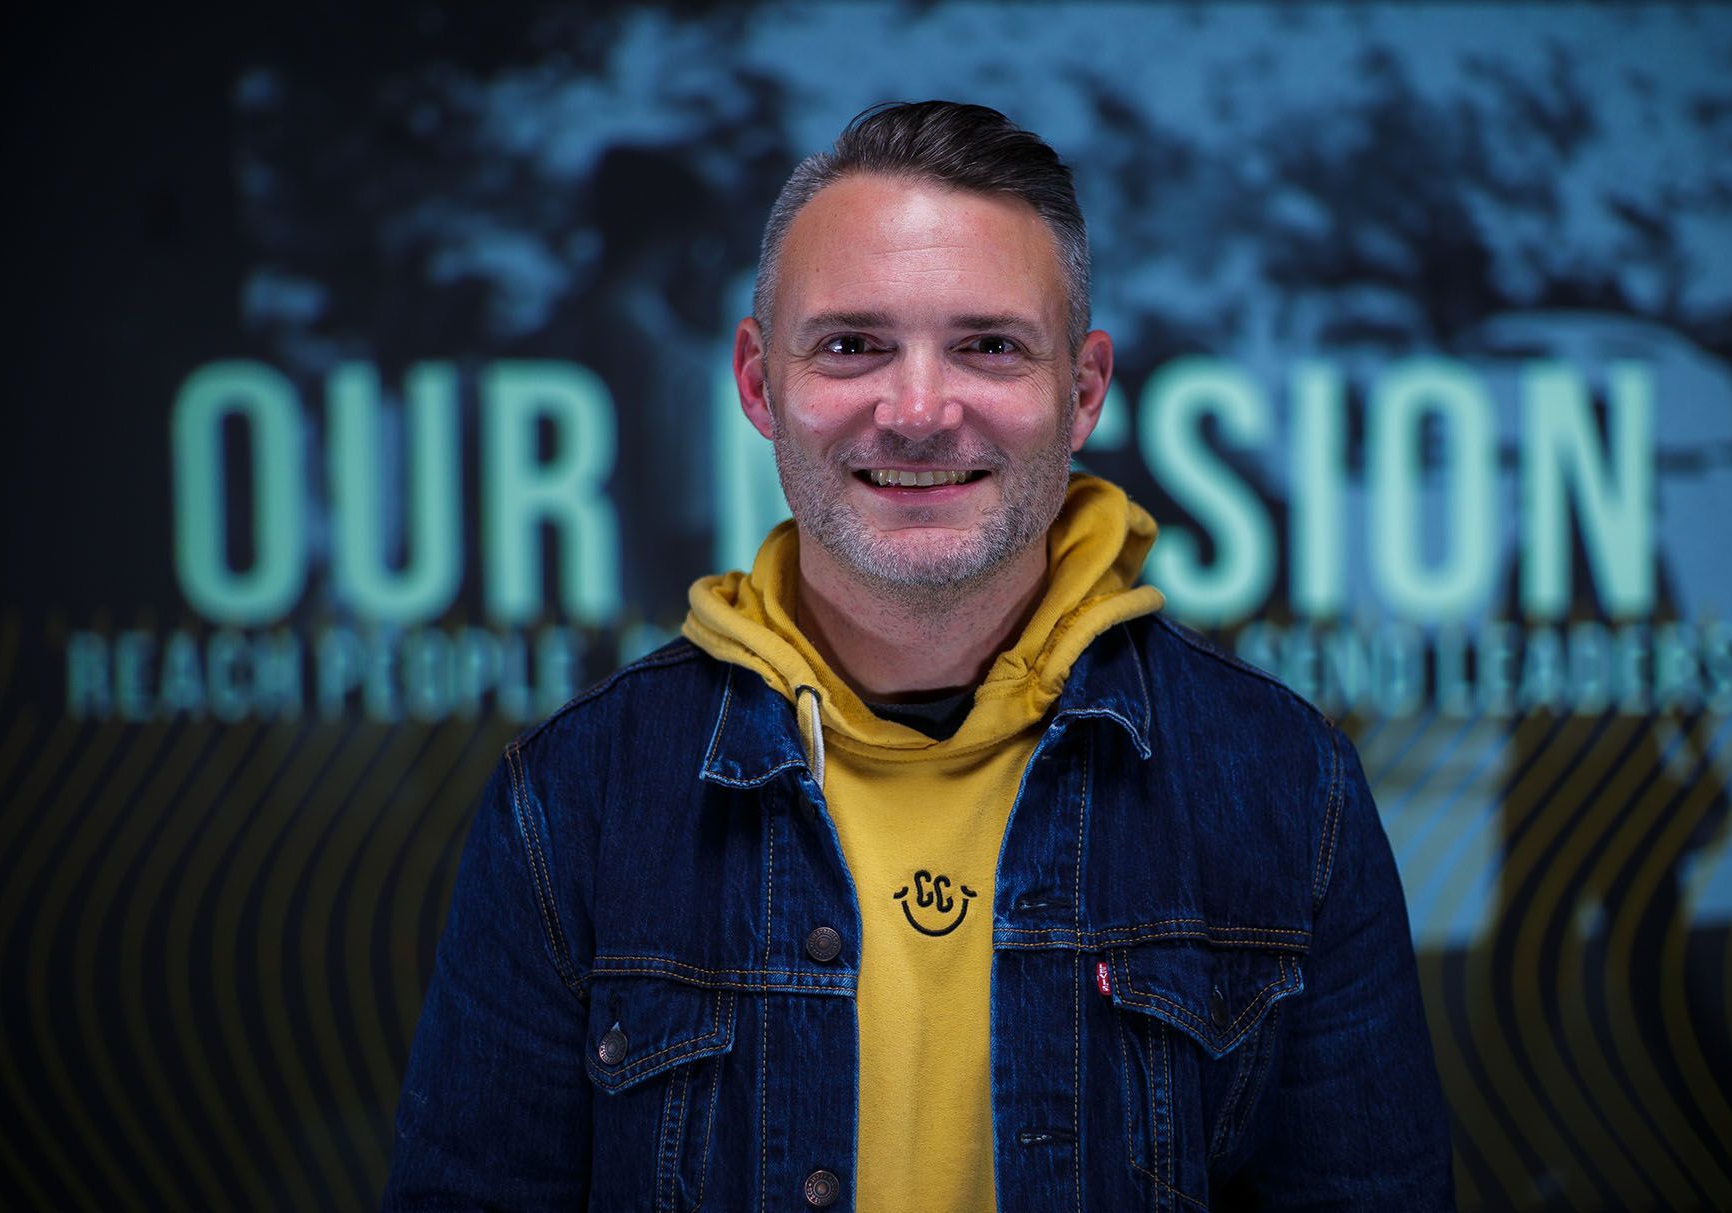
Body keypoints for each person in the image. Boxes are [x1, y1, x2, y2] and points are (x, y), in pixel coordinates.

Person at [384, 100, 1452, 1212]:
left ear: (1083, 390)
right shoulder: (571, 803)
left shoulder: (1288, 790)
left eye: (988, 345)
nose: (919, 410)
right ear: (758, 383)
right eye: (853, 345)